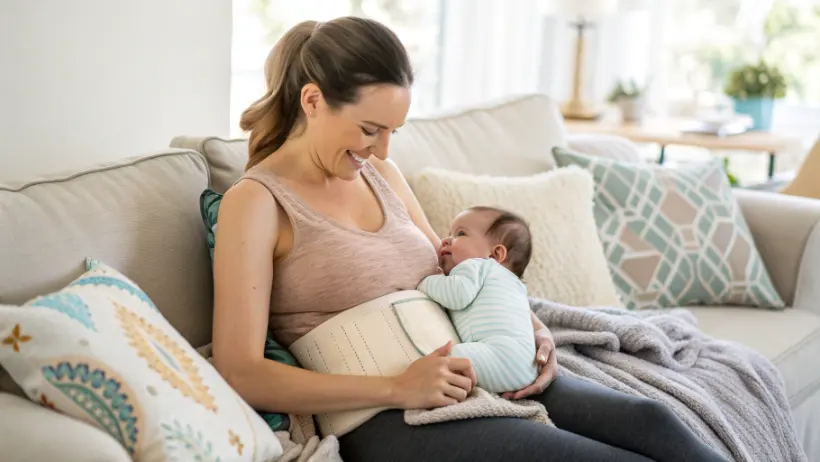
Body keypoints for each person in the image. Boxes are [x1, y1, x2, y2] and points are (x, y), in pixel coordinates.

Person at [211, 16, 728, 462]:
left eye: (392, 131)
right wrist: (396, 387)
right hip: (381, 413)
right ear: (313, 101)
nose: (382, 149)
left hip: (475, 368)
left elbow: (452, 267)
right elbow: (241, 372)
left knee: (655, 421)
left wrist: (530, 327)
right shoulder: (256, 203)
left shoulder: (381, 175)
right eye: (370, 129)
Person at [417, 206, 539, 394]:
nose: (445, 240)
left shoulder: (477, 265)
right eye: (449, 234)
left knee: (441, 360)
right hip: (528, 366)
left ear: (495, 255)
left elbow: (457, 295)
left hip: (499, 354)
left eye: (460, 234)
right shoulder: (515, 286)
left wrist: (425, 281)